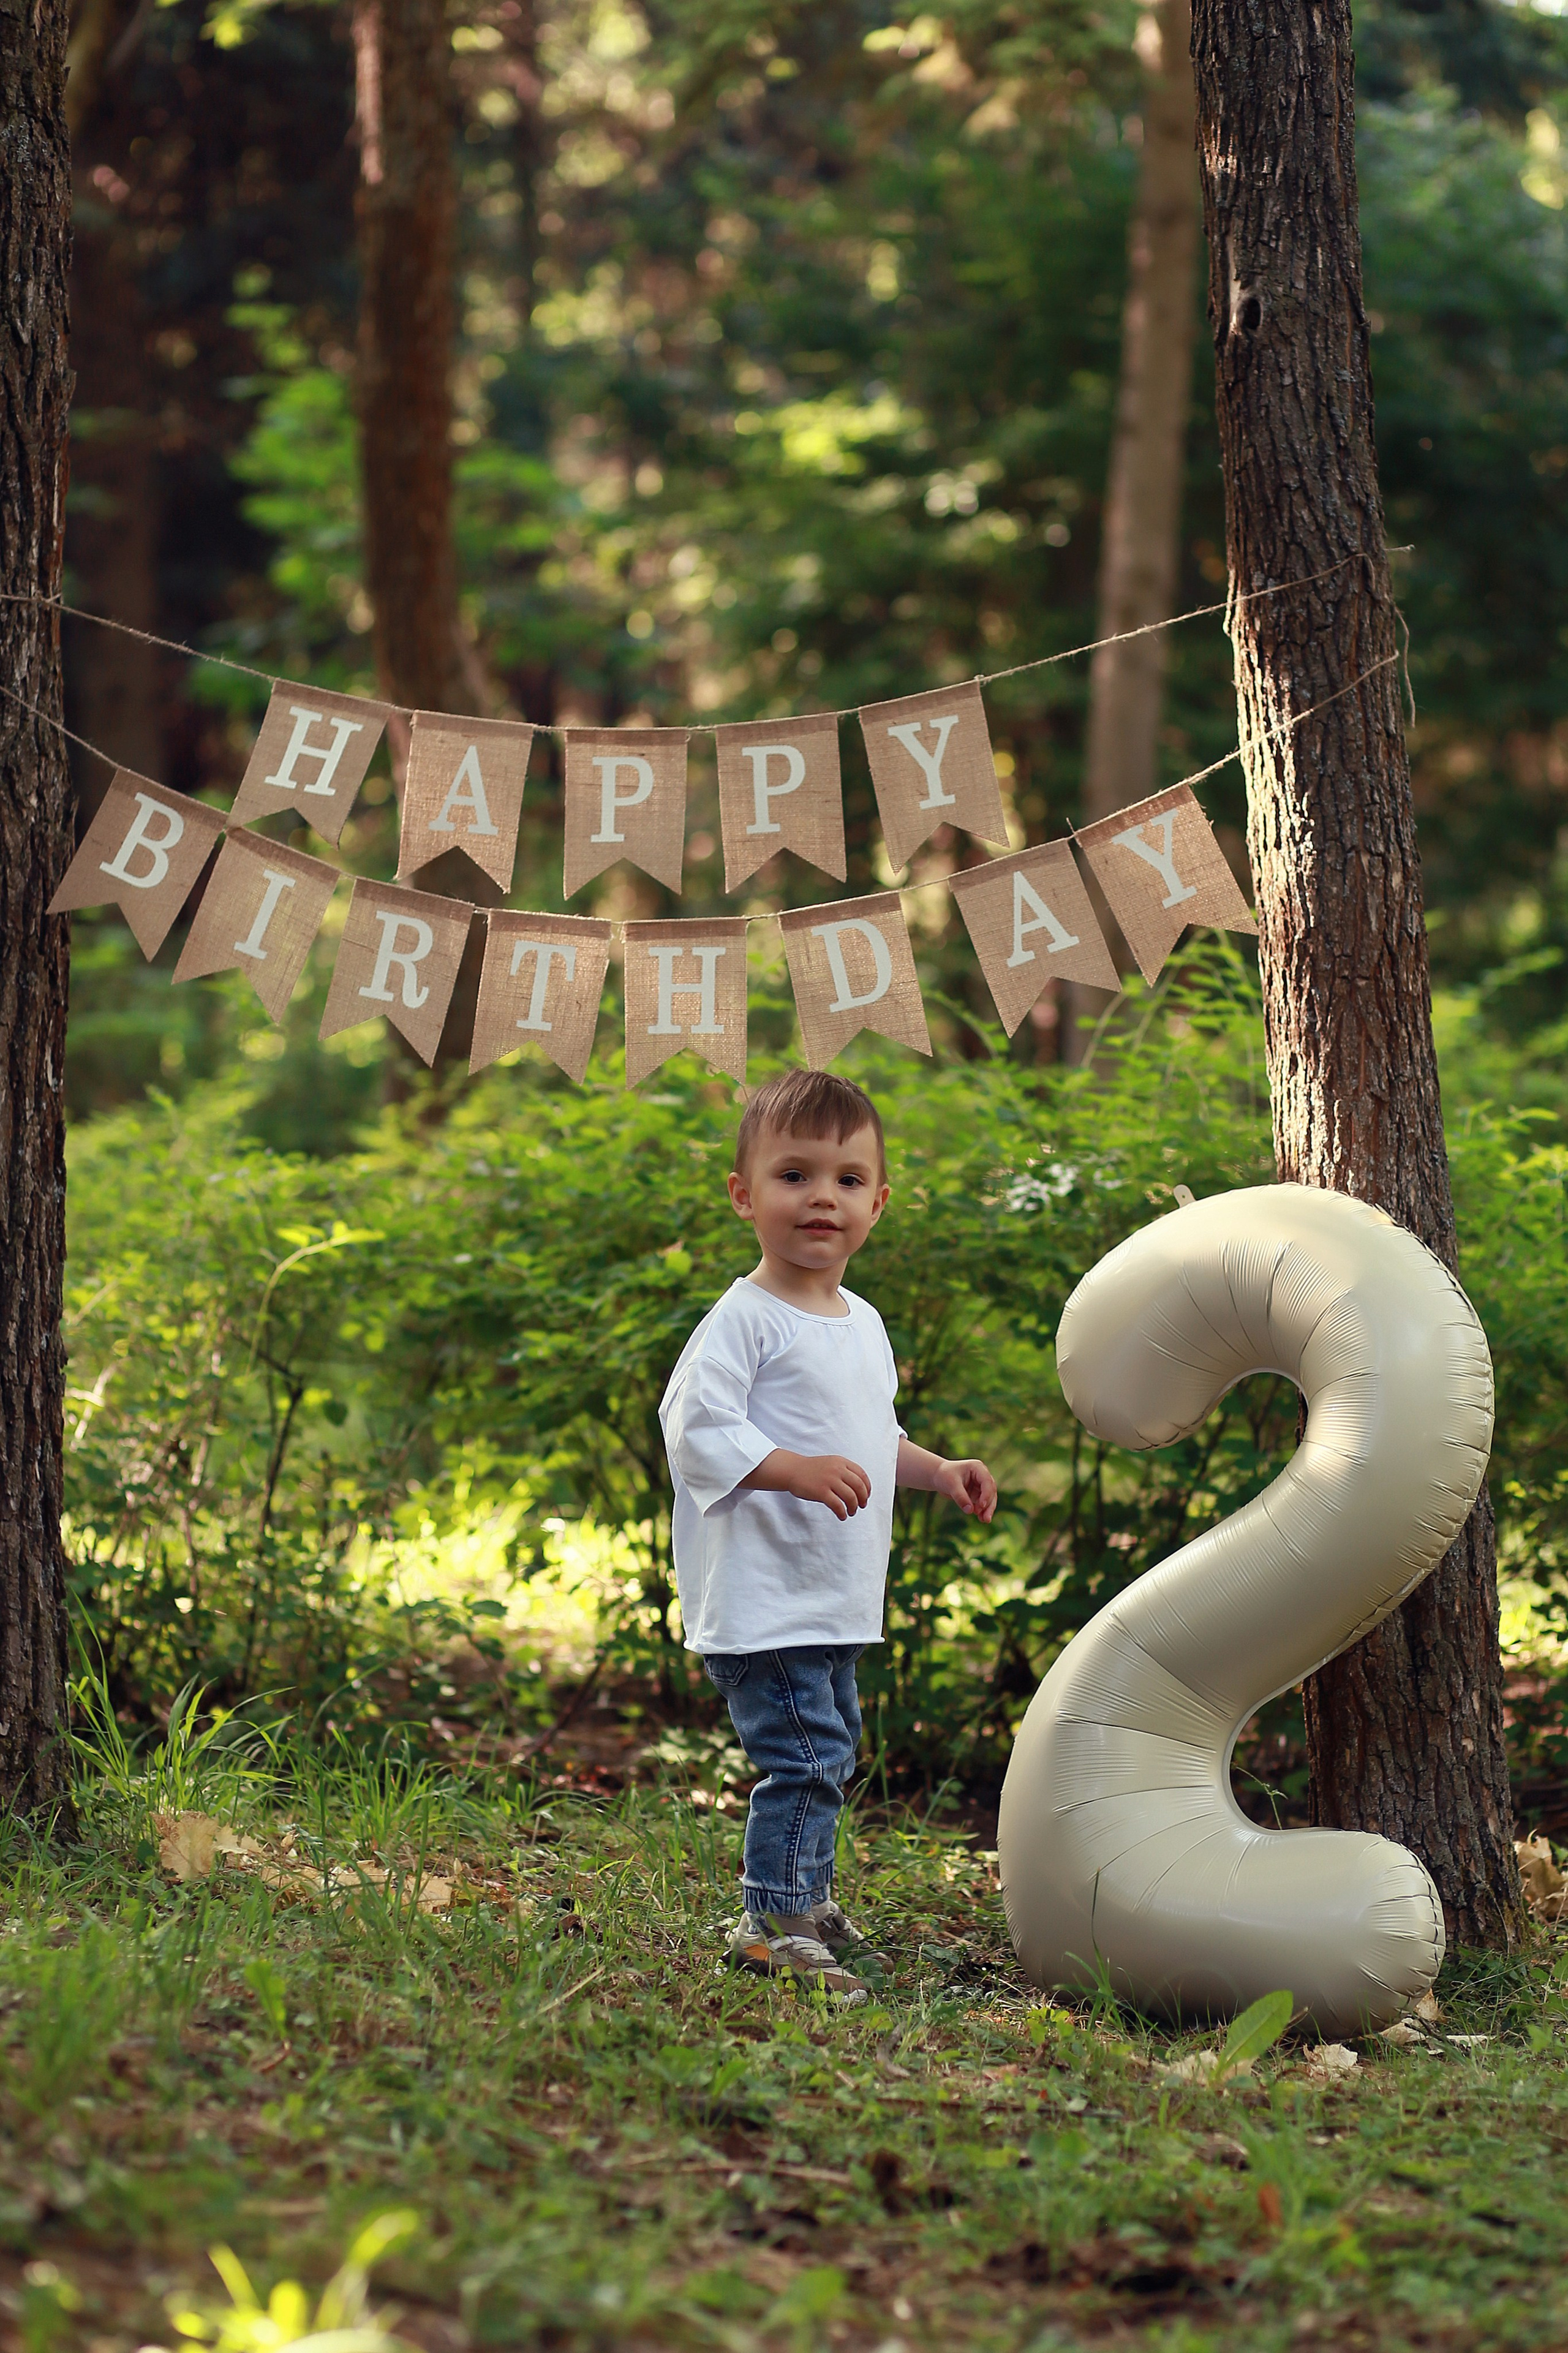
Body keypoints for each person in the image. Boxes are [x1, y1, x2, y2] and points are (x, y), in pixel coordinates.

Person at [658, 1068, 997, 2004]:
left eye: (848, 1179)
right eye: (794, 1175)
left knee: (829, 1751)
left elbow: (871, 1437)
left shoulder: (864, 1322)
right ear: (745, 1196)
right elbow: (695, 1427)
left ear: (877, 1204)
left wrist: (938, 1469)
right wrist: (789, 1467)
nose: (822, 1197)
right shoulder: (745, 1319)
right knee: (805, 1759)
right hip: (766, 1595)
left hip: (830, 1594)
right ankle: (773, 1923)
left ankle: (802, 1899)